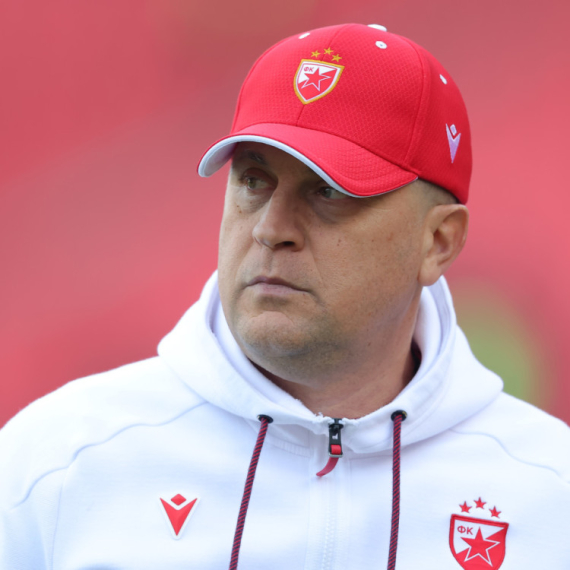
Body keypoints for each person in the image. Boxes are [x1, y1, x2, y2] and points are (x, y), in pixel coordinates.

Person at [1, 23, 569, 570]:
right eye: (254, 181)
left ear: (438, 241)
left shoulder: (549, 492)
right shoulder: (57, 462)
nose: (271, 228)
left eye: (328, 191)